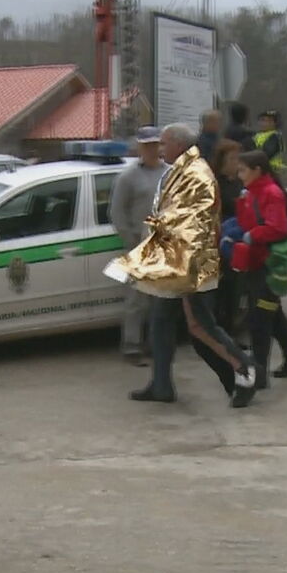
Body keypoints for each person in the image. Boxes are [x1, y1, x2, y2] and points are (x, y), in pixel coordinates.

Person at [124, 123, 258, 408]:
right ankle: (161, 384)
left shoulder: (194, 174)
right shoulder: (181, 170)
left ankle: (246, 367)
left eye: (164, 144)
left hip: (189, 264)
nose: (161, 150)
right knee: (160, 323)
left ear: (178, 145)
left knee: (201, 326)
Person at [231, 150, 287, 389]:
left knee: (260, 320)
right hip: (256, 264)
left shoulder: (270, 193)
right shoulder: (252, 193)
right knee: (272, 315)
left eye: (243, 170)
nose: (239, 175)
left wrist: (252, 235)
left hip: (269, 266)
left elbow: (277, 228)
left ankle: (258, 373)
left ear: (257, 171)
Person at [110, 126, 169, 364]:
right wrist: (131, 241)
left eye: (155, 144)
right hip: (138, 245)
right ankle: (132, 345)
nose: (151, 149)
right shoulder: (128, 177)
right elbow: (117, 212)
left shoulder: (171, 173)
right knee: (136, 299)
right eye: (147, 145)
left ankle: (157, 343)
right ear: (139, 147)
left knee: (161, 299)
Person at [211, 139, 244, 334]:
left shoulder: (240, 181)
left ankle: (231, 330)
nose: (236, 162)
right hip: (221, 239)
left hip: (238, 241)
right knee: (221, 291)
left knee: (235, 291)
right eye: (232, 159)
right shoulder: (216, 183)